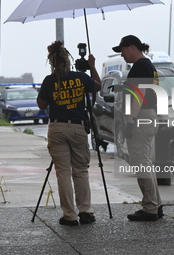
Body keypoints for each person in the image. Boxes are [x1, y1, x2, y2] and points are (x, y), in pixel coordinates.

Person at [37, 41, 101, 226]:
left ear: (52, 62)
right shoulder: (80, 77)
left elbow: (41, 105)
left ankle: (70, 215)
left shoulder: (49, 81)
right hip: (78, 127)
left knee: (63, 172)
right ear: (68, 60)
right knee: (80, 171)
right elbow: (97, 86)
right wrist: (92, 67)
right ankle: (86, 211)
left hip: (57, 128)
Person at [112, 35, 163, 221]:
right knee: (146, 164)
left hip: (141, 117)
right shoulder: (147, 65)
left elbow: (139, 93)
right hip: (148, 116)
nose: (122, 55)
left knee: (141, 164)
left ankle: (150, 208)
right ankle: (156, 205)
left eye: (123, 50)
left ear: (132, 47)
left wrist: (131, 119)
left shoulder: (141, 66)